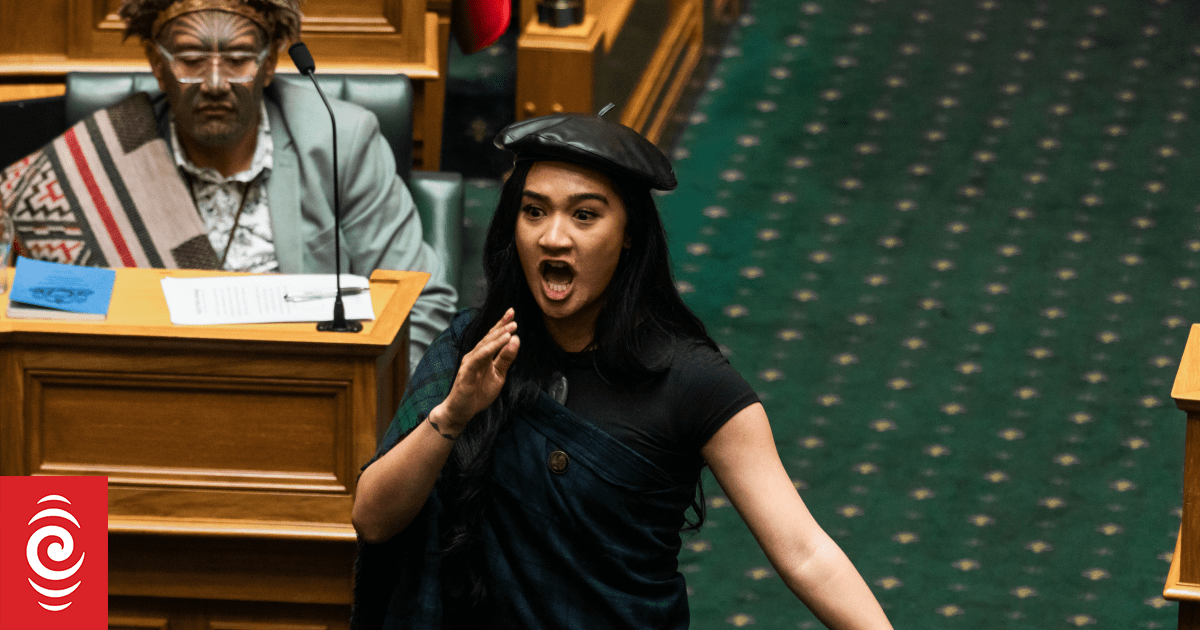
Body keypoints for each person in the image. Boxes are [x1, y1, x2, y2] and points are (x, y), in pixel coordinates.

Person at [351, 112, 895, 629]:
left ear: (629, 232)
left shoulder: (693, 382)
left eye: (584, 215)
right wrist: (454, 413)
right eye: (534, 211)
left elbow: (805, 552)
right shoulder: (473, 349)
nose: (553, 237)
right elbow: (372, 519)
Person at [0, 0, 456, 369]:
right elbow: (38, 299)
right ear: (157, 65)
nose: (215, 83)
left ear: (269, 64)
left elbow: (421, 302)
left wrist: (379, 417)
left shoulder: (340, 140)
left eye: (238, 60)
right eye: (191, 61)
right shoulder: (108, 161)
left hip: (310, 395)